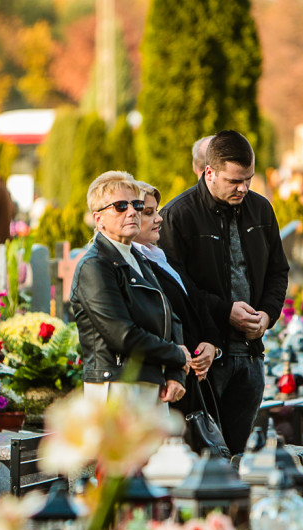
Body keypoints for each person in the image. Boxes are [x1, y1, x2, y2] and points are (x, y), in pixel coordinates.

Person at [159, 131, 290, 457]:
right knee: (203, 459)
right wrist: (224, 311)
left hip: (250, 354)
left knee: (241, 458)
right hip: (204, 356)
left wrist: (268, 315)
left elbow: (278, 271)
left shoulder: (260, 210)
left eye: (248, 179)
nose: (243, 188)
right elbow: (179, 288)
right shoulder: (179, 215)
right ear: (209, 172)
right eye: (234, 181)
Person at [71, 171, 191, 410]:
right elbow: (122, 335)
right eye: (119, 206)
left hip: (151, 384)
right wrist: (177, 355)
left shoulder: (137, 256)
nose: (132, 212)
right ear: (98, 219)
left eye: (136, 205)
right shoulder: (95, 265)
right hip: (116, 387)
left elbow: (170, 316)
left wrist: (176, 373)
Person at [132, 181, 222, 417]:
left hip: (193, 373)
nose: (159, 219)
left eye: (157, 211)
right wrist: (186, 359)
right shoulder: (134, 265)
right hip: (169, 380)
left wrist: (211, 344)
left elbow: (195, 300)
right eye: (149, 213)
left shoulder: (160, 255)